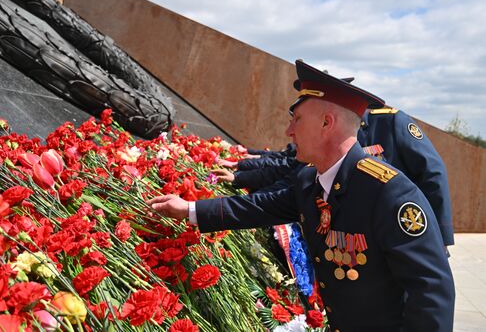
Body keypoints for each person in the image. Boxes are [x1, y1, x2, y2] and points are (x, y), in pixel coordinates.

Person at [148, 59, 455, 331]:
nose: (288, 132)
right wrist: (188, 209)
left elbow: (432, 292)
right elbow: (254, 207)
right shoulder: (310, 180)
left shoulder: (389, 192)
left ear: (326, 123)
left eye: (297, 120)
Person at [215, 108, 455, 248]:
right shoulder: (323, 142)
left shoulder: (391, 122)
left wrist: (439, 238)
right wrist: (238, 180)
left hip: (402, 231)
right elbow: (290, 177)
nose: (291, 129)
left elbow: (432, 174)